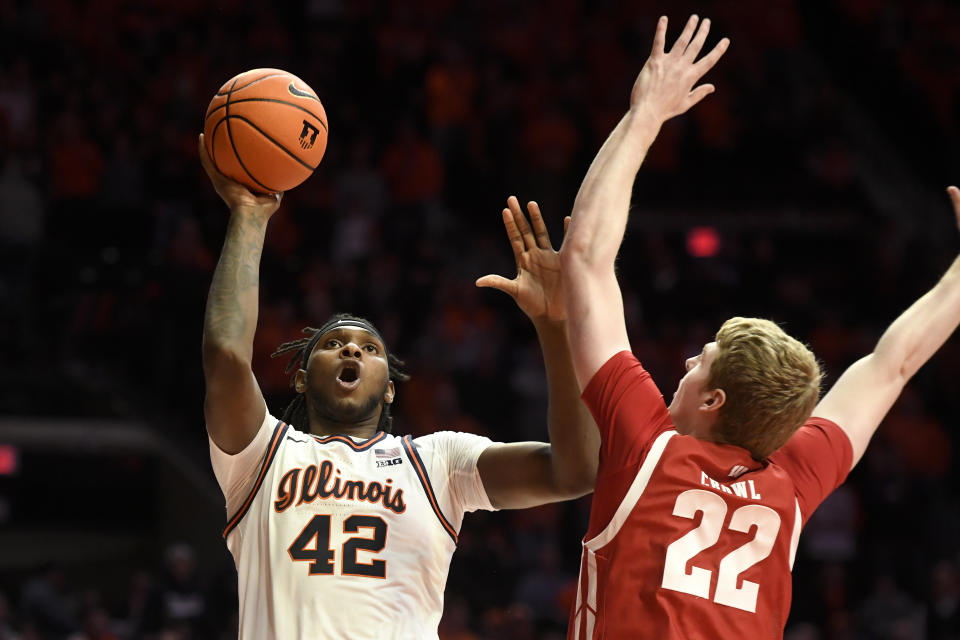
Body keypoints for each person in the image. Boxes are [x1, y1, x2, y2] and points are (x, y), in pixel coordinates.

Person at [559, 14, 960, 639]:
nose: (688, 364)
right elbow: (892, 365)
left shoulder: (650, 446)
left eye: (702, 359)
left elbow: (583, 257)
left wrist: (646, 113)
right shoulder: (791, 482)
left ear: (715, 401)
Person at [198, 136, 598, 639]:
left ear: (389, 388)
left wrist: (556, 328)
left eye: (369, 348)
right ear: (300, 377)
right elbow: (227, 356)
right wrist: (249, 217)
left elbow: (575, 470)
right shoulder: (260, 455)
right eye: (334, 344)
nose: (351, 350)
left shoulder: (438, 461)